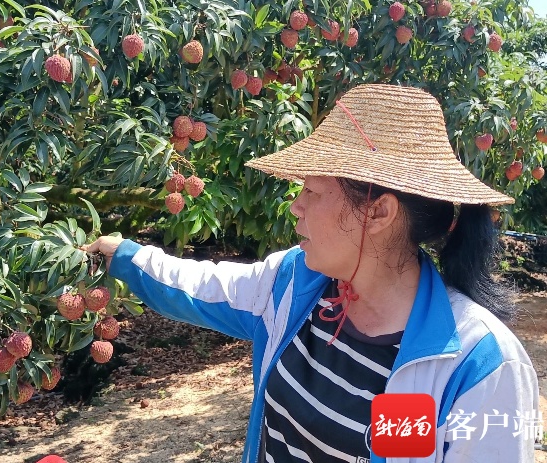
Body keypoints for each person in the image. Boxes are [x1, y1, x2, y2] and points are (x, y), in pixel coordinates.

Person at [82, 84, 539, 463]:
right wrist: (123, 254)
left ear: (377, 212)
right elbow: (201, 286)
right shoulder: (294, 284)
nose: (295, 206)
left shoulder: (477, 364)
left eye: (312, 192)